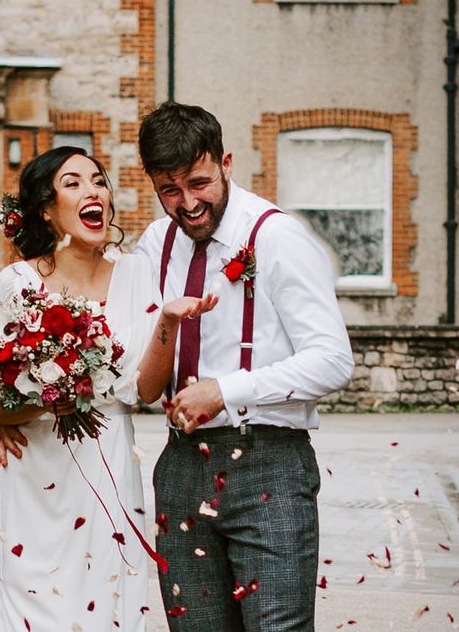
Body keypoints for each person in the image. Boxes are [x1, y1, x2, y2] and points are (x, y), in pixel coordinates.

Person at [134, 102, 355, 630]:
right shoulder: (154, 245)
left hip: (270, 464)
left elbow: (333, 360)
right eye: (169, 189)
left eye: (199, 182)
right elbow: (142, 375)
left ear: (226, 162)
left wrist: (226, 390)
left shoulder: (277, 237)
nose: (187, 203)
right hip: (182, 466)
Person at [0, 145, 216, 631]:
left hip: (109, 463)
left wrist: (168, 322)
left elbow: (144, 391)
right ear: (47, 209)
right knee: (36, 605)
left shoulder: (138, 273)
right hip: (39, 474)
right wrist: (41, 401)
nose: (93, 191)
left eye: (99, 180)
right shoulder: (17, 283)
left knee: (108, 605)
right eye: (73, 183)